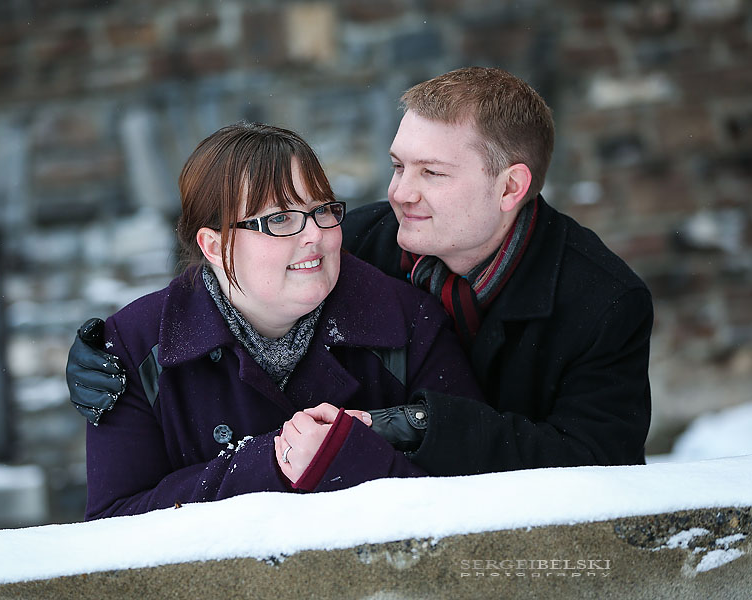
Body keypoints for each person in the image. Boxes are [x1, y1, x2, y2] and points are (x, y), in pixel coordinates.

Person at [70, 66, 653, 482]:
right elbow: (232, 261)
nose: (400, 193)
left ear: (510, 187)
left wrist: (414, 425)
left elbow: (600, 470)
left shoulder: (603, 302)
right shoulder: (356, 238)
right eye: (398, 165)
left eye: (432, 173)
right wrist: (103, 355)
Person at [74, 122, 482, 520]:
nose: (315, 236)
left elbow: (477, 491)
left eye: (322, 211)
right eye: (279, 219)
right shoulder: (133, 346)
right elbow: (116, 526)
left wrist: (344, 458)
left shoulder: (409, 322)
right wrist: (269, 465)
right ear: (214, 245)